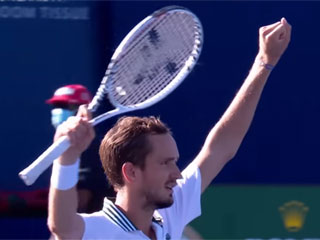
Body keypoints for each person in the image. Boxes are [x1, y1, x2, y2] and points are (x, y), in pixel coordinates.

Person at [47, 18, 291, 239]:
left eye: (174, 162)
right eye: (165, 163)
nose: (177, 173)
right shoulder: (93, 231)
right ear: (131, 172)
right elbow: (62, 227)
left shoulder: (170, 215)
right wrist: (66, 159)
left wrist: (264, 64)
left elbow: (221, 146)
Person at [46, 84, 114, 213]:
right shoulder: (65, 144)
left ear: (83, 111)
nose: (59, 111)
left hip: (88, 227)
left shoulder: (91, 149)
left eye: (67, 106)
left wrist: (62, 228)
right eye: (57, 106)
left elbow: (81, 203)